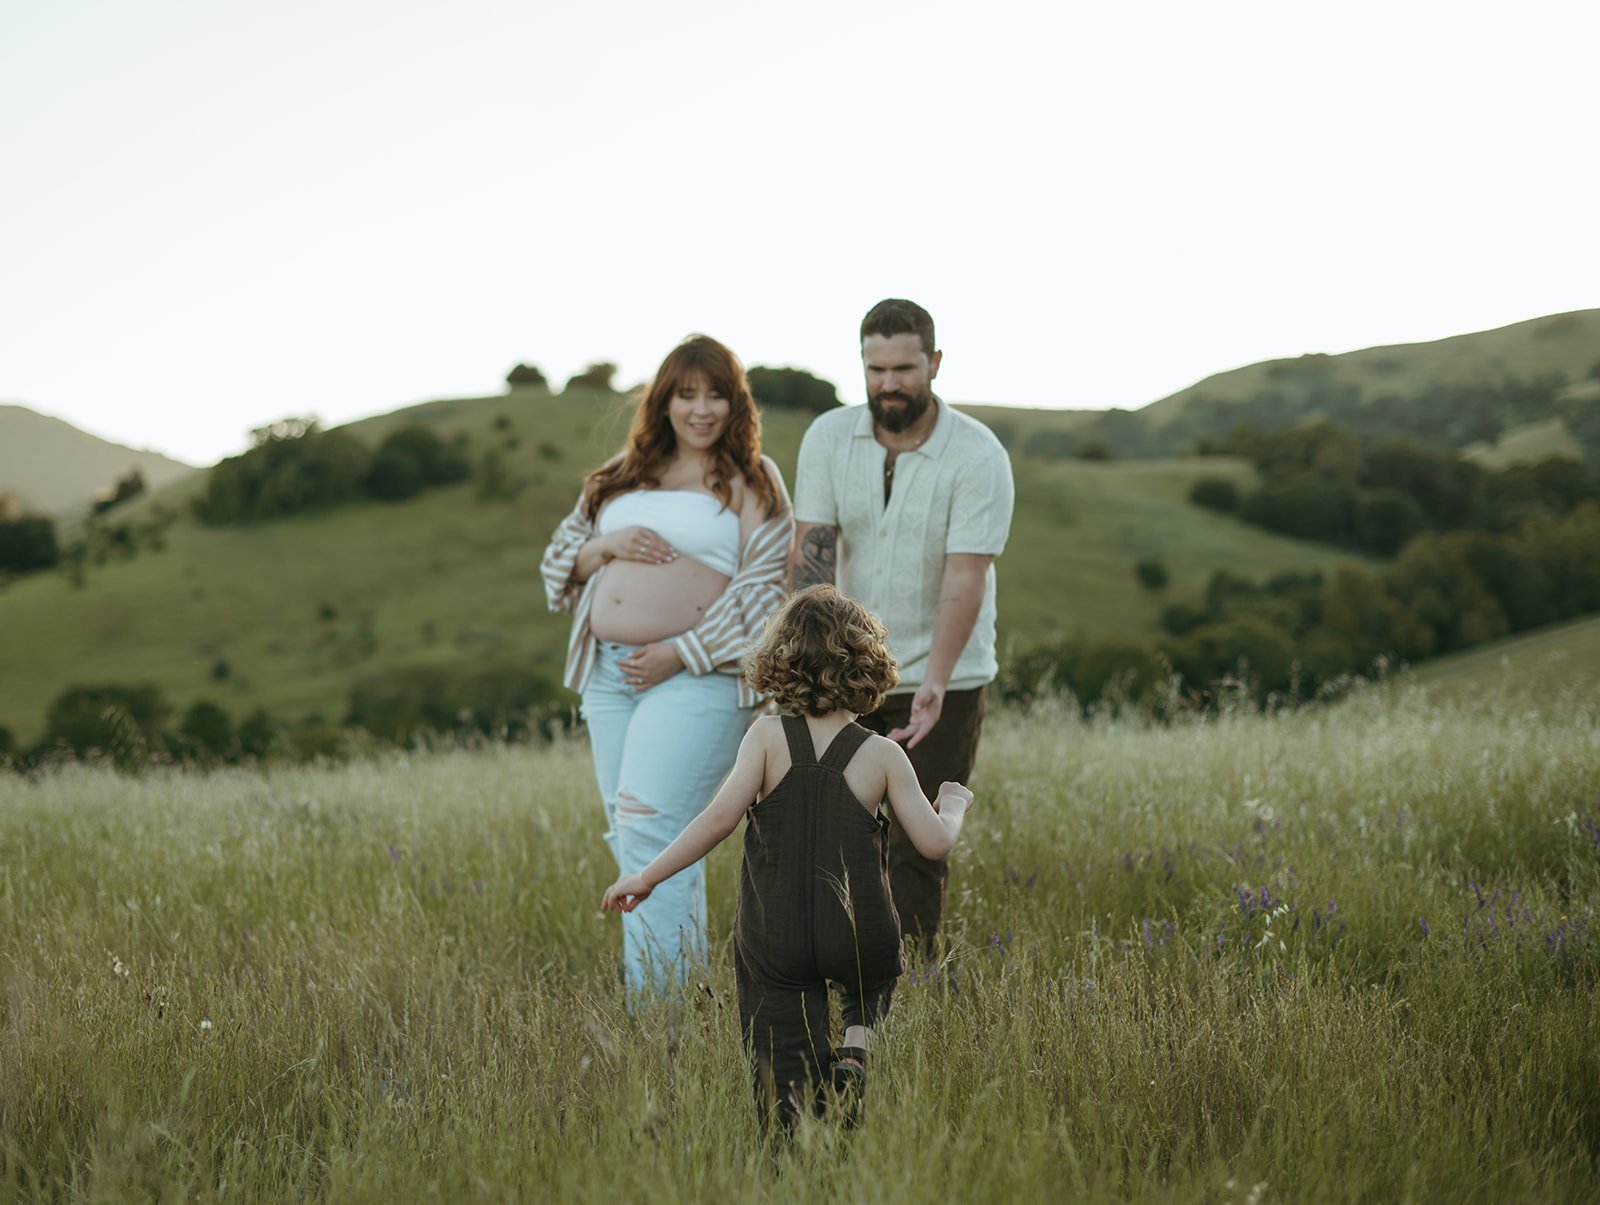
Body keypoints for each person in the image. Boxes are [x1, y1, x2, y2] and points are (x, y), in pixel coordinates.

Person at [601, 585, 973, 1133]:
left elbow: (717, 821)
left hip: (776, 936)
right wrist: (955, 805)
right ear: (867, 665)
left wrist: (648, 876)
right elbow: (935, 844)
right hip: (856, 927)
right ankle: (856, 1051)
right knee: (873, 982)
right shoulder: (883, 754)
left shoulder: (766, 739)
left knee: (783, 1064)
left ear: (780, 661)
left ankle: (793, 1134)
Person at [542, 334, 793, 997]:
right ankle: (671, 995)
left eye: (716, 395)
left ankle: (657, 1014)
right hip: (608, 673)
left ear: (736, 404)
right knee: (636, 832)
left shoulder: (752, 481)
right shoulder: (619, 473)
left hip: (697, 674)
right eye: (687, 395)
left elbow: (766, 587)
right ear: (665, 401)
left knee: (652, 822)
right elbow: (559, 560)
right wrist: (607, 544)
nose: (701, 409)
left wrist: (680, 651)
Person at [789, 298, 1013, 948]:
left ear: (934, 362)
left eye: (905, 368)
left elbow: (964, 576)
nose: (889, 383)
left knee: (919, 843)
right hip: (845, 668)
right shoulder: (828, 437)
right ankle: (841, 966)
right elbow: (814, 557)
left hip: (946, 672)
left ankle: (910, 975)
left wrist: (934, 683)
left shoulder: (977, 454)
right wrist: (814, 673)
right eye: (876, 367)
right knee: (838, 827)